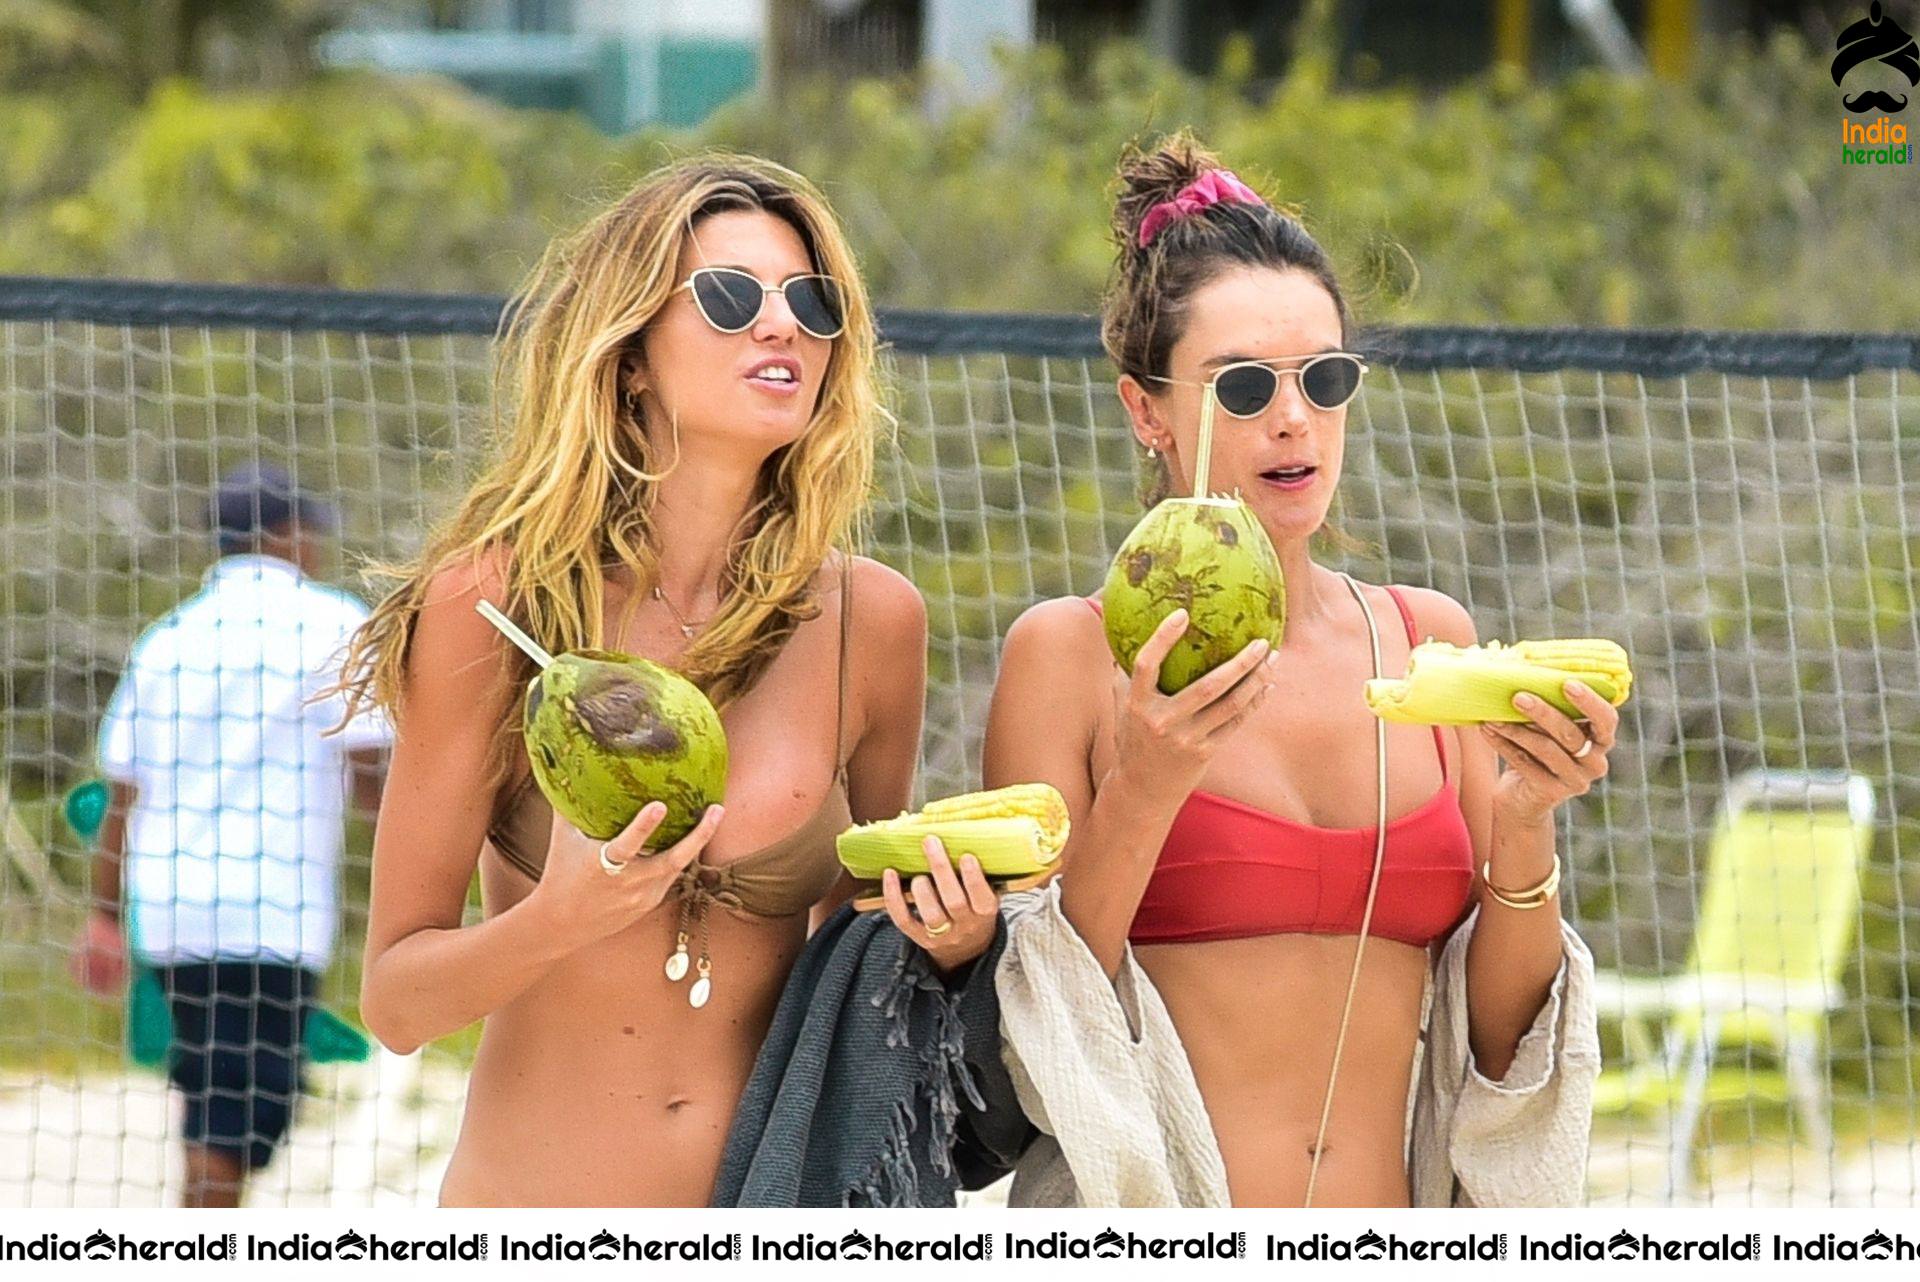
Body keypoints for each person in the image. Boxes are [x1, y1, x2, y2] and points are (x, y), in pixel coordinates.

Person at [332, 153, 999, 1208]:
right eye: (733, 298)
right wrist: (558, 918)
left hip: (776, 1217)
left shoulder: (873, 621)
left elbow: (865, 948)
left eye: (812, 302)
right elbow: (396, 1001)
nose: (782, 327)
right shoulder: (496, 607)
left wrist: (954, 940)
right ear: (631, 351)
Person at [982, 134, 1609, 1207]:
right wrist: (1147, 784)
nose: (1291, 417)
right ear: (1147, 412)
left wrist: (1523, 820)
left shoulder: (1424, 639)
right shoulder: (1071, 654)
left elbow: (1504, 1045)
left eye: (1323, 378)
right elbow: (1038, 1025)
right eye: (1241, 386)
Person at [73, 463, 392, 1207]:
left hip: (175, 906)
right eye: (307, 531)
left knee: (215, 1096)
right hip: (270, 907)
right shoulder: (331, 621)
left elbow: (123, 794)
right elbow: (372, 776)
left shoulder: (168, 637)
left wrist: (102, 917)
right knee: (250, 1108)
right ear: (282, 535)